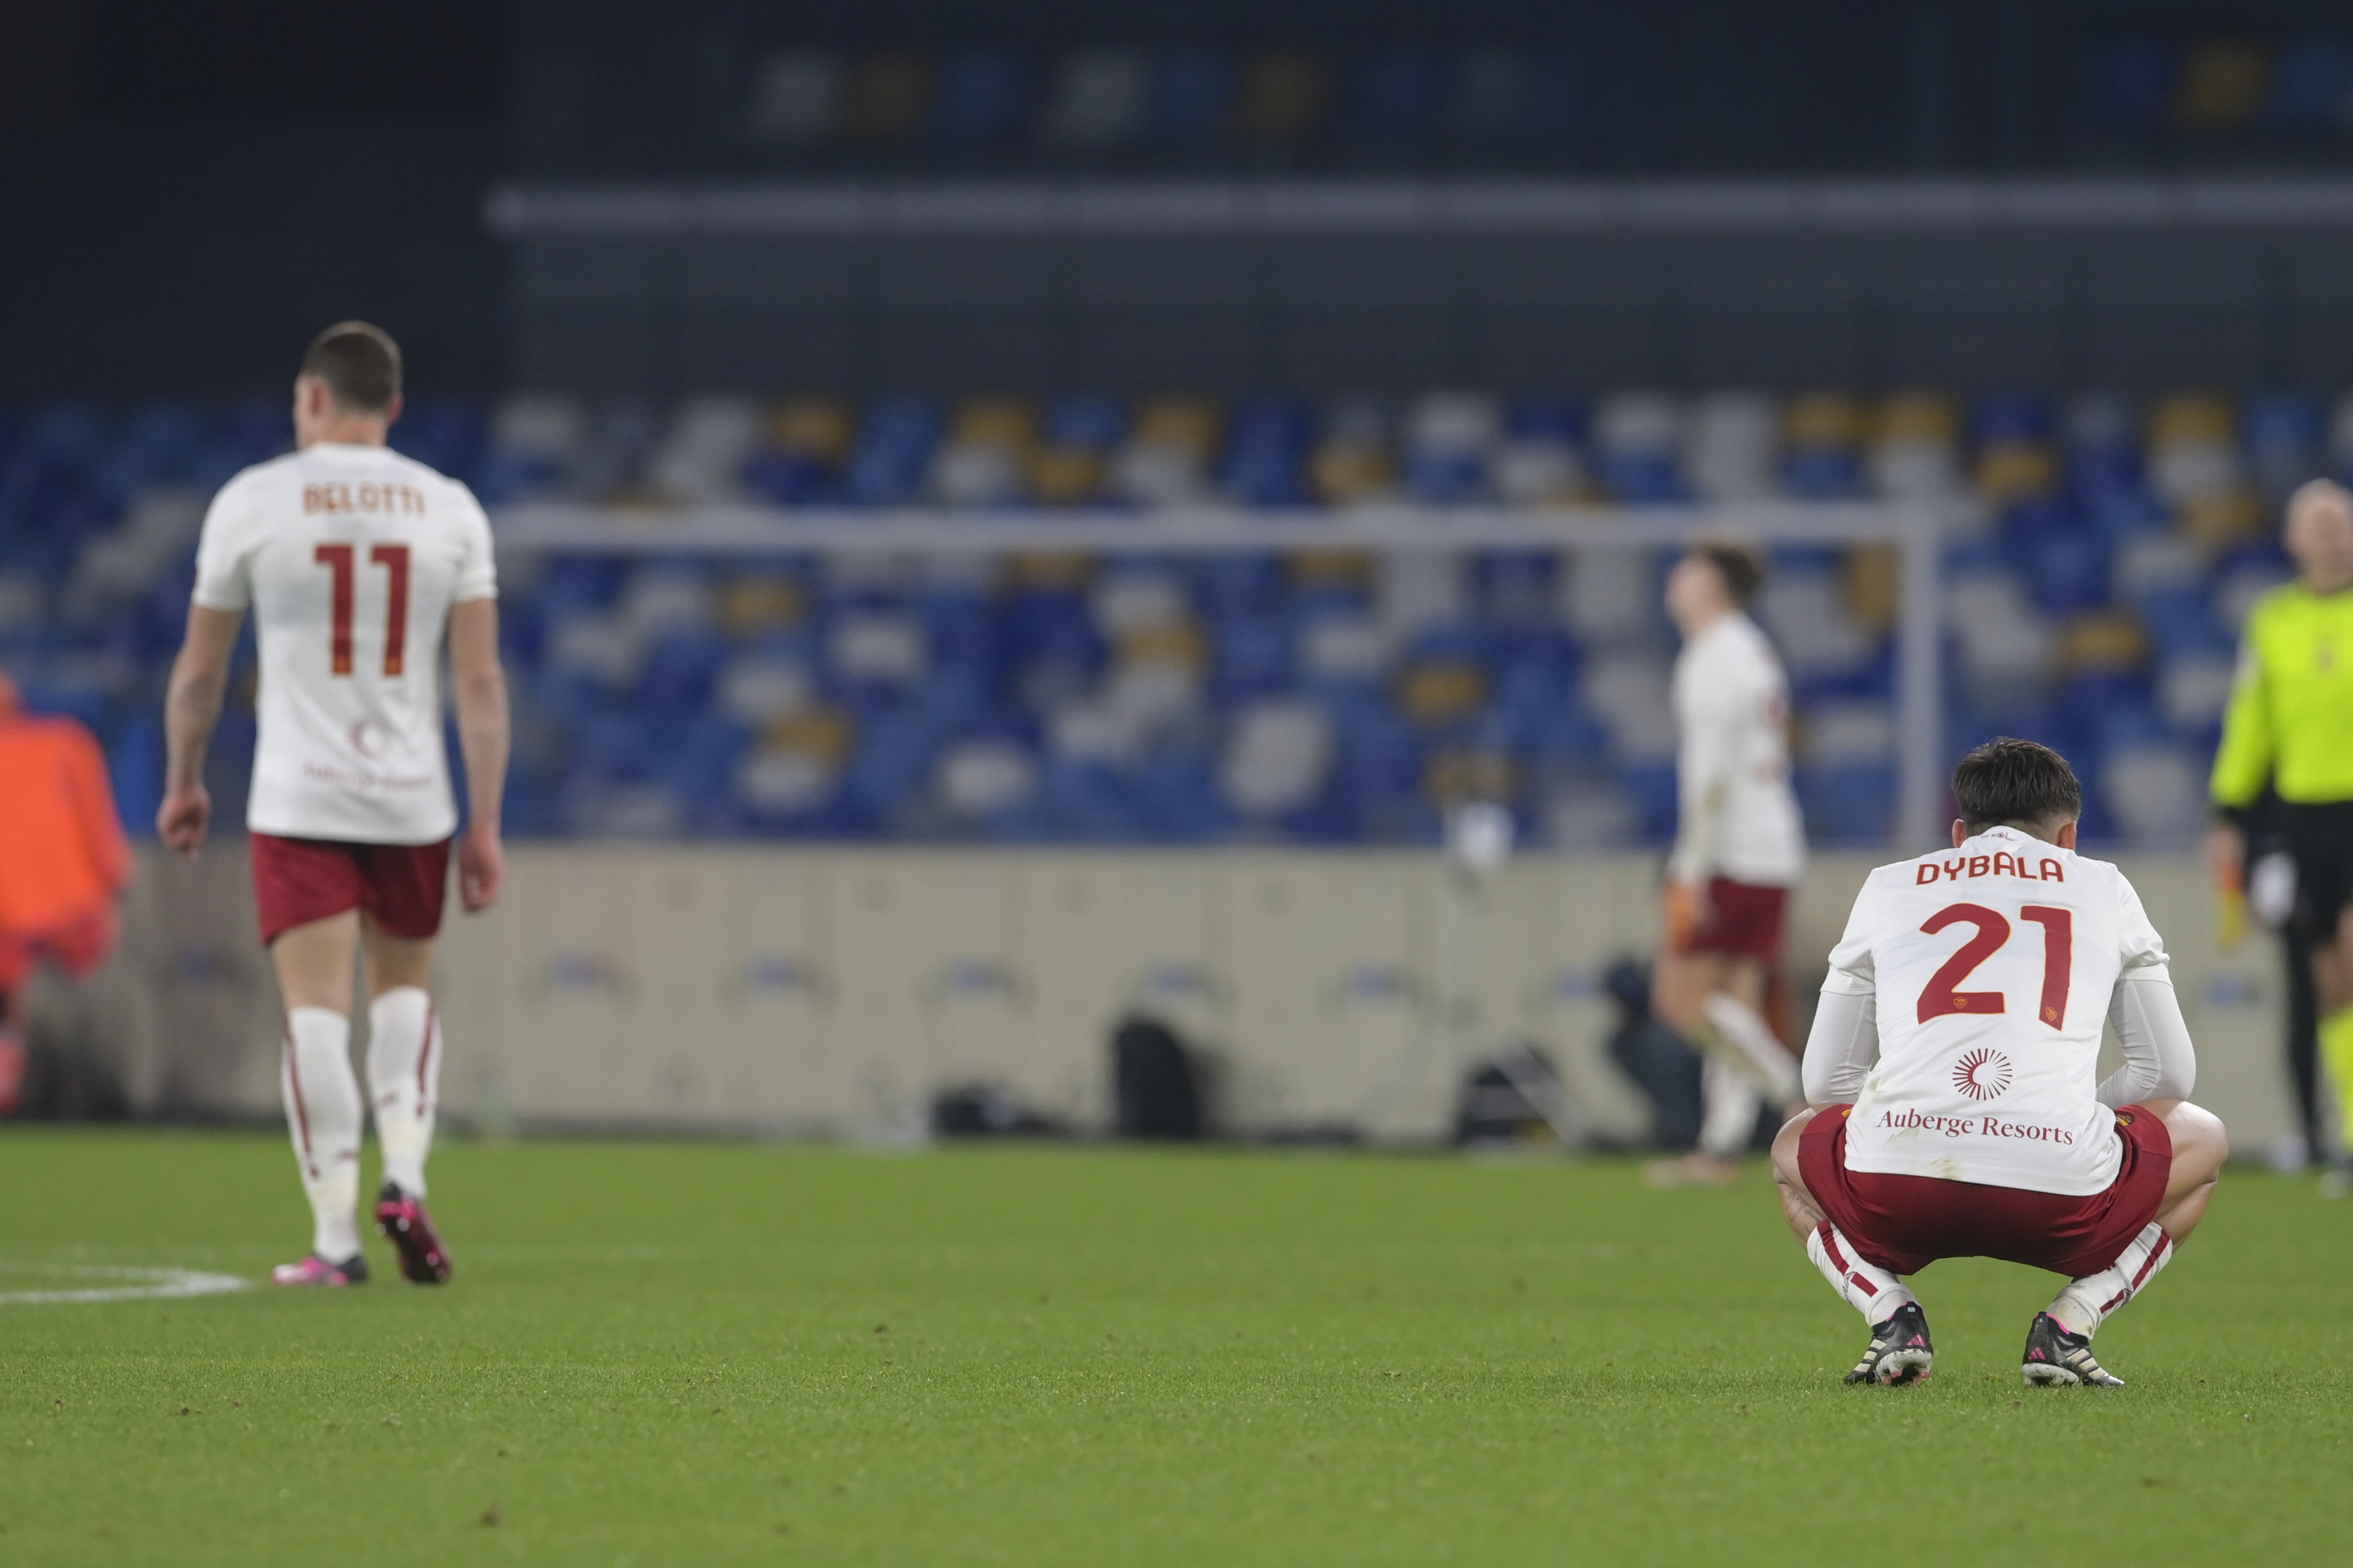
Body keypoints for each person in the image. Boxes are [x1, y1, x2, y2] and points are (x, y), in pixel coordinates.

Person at [158, 321, 509, 1288]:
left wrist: (185, 780)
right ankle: (406, 1174)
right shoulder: (450, 509)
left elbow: (201, 674)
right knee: (404, 992)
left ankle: (337, 1239)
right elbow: (480, 688)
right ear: (392, 407)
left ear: (312, 398)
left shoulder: (255, 502)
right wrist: (484, 820)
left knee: (316, 1014)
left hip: (300, 793)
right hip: (412, 799)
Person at [1772, 739, 2228, 1388]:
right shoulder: (2103, 885)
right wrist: (2061, 1117)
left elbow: (1823, 1083)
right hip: (2060, 1192)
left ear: (1959, 834)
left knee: (1792, 1145)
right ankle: (2069, 1323)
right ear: (2067, 835)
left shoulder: (1888, 885)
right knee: (2204, 1139)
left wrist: (1906, 1113)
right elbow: (2165, 1076)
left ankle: (1890, 1314)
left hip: (1896, 1188)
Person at [2208, 478, 2353, 1194]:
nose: (2334, 537)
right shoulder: (2272, 621)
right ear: (2293, 540)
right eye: (2320, 526)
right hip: (2305, 817)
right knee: (2329, 981)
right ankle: (2347, 1138)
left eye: (2342, 524)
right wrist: (2228, 817)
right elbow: (2249, 725)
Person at [1647, 542, 1806, 1186]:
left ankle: (1797, 1096)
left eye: (1685, 568)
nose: (1674, 578)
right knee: (1734, 1003)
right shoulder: (1753, 649)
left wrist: (1690, 862)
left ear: (1711, 583)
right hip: (1772, 844)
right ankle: (1719, 1148)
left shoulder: (1712, 656)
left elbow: (1709, 772)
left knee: (1681, 1001)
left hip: (1729, 851)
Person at [0, 672, 133, 1115]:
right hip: (39, 916)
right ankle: (31, 1097)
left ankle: (81, 1099)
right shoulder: (63, 744)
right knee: (31, 1015)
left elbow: (97, 824)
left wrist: (110, 892)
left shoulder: (64, 744)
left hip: (68, 913)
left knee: (72, 1014)